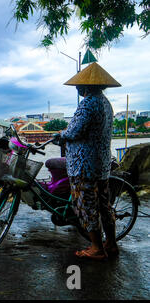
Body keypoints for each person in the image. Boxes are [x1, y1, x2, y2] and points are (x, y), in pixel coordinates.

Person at [58, 62, 121, 260]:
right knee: (104, 204)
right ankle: (110, 244)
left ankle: (96, 248)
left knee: (86, 205)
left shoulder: (88, 103)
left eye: (79, 86)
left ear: (85, 87)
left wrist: (61, 133)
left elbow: (75, 131)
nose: (78, 89)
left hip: (84, 165)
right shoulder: (105, 102)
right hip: (101, 163)